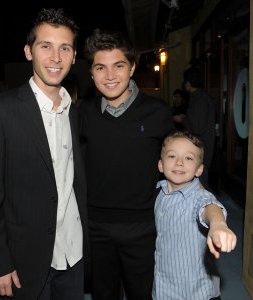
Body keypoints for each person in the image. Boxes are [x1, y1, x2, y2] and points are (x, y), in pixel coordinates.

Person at [0, 8, 88, 300]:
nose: (55, 57)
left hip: (73, 254)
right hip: (23, 261)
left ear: (74, 57)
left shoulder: (73, 111)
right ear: (28, 52)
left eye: (65, 48)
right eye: (45, 46)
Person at [79, 28, 175, 300]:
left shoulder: (157, 112)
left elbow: (179, 165)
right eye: (100, 67)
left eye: (118, 66)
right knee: (103, 294)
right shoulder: (82, 114)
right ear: (92, 73)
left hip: (143, 226)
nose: (110, 76)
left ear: (132, 67)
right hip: (95, 226)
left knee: (142, 294)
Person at [153, 130, 237, 300]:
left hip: (194, 291)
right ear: (160, 165)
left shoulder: (199, 196)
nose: (179, 163)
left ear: (199, 170)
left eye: (188, 158)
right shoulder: (159, 191)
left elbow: (209, 207)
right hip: (163, 285)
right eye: (172, 156)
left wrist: (218, 224)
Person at [174, 66, 216, 188]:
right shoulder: (200, 97)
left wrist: (182, 119)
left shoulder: (199, 99)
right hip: (201, 148)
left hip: (201, 148)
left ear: (188, 82)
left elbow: (198, 127)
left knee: (201, 187)